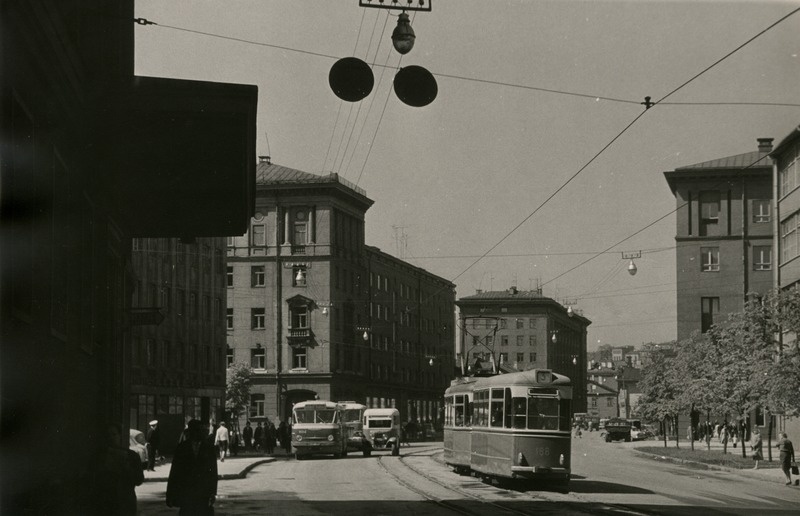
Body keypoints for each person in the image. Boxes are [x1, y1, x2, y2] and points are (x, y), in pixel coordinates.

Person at [167, 419, 218, 515]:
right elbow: (174, 472)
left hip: (203, 492)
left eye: (201, 430)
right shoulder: (182, 448)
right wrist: (170, 494)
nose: (200, 433)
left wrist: (213, 492)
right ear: (191, 431)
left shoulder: (209, 448)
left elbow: (213, 472)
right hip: (186, 492)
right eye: (197, 430)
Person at [94, 423, 144, 516]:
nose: (111, 438)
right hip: (106, 503)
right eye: (108, 435)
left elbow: (139, 479)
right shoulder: (99, 456)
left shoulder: (131, 456)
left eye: (114, 434)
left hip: (125, 502)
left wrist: (127, 468)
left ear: (119, 435)